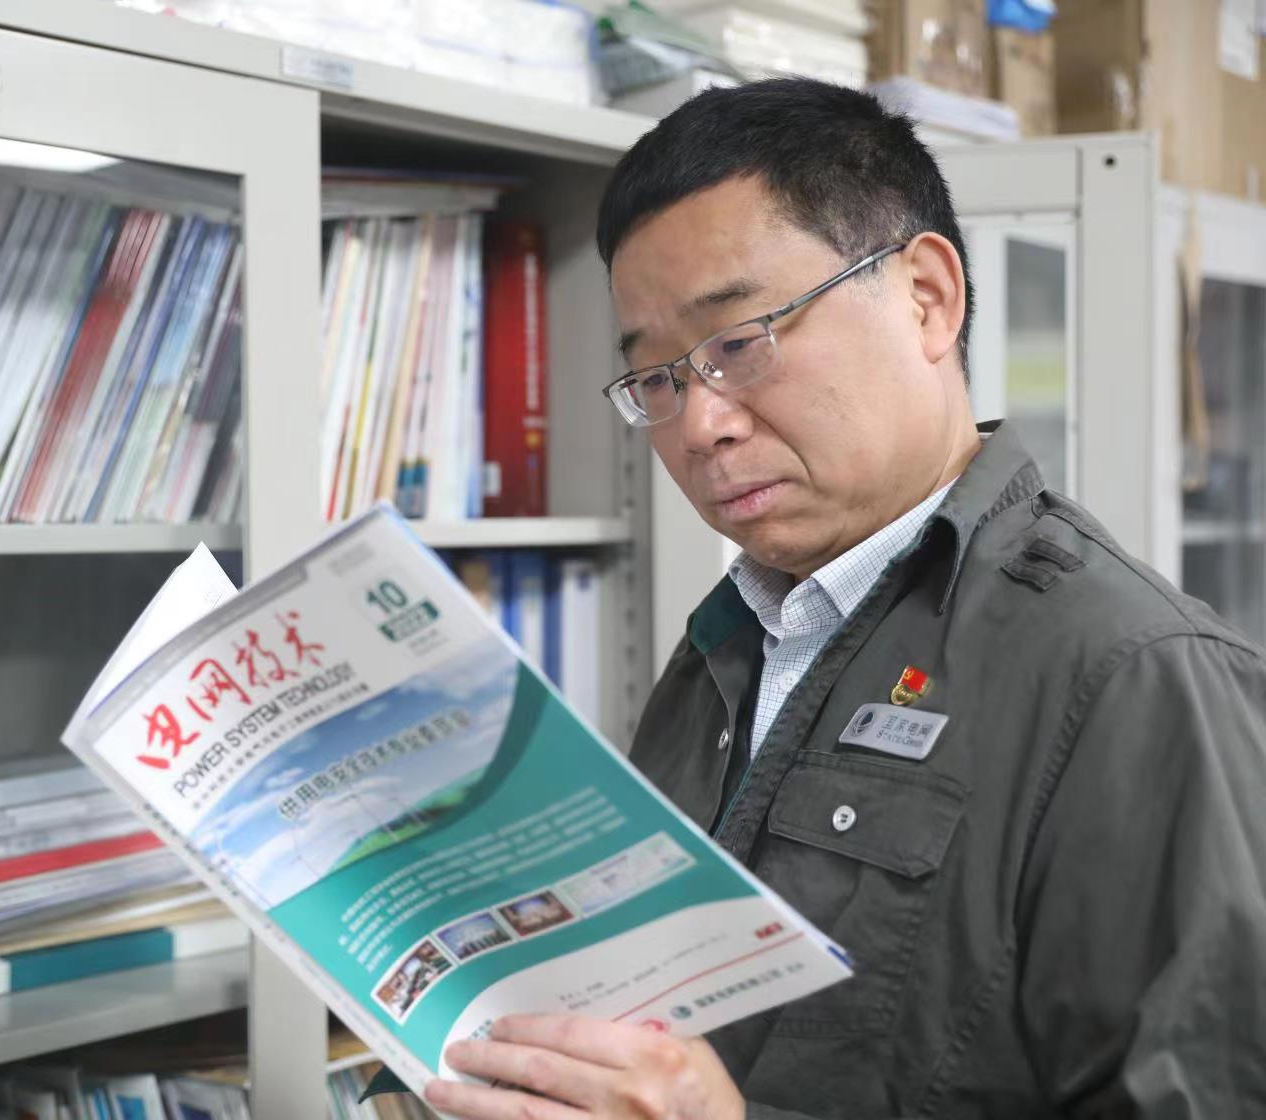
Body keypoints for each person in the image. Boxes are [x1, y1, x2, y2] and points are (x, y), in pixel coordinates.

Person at [423, 78, 1266, 1119]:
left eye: (739, 343)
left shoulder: (1136, 675)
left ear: (927, 298)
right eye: (660, 379)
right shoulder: (722, 652)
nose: (700, 426)